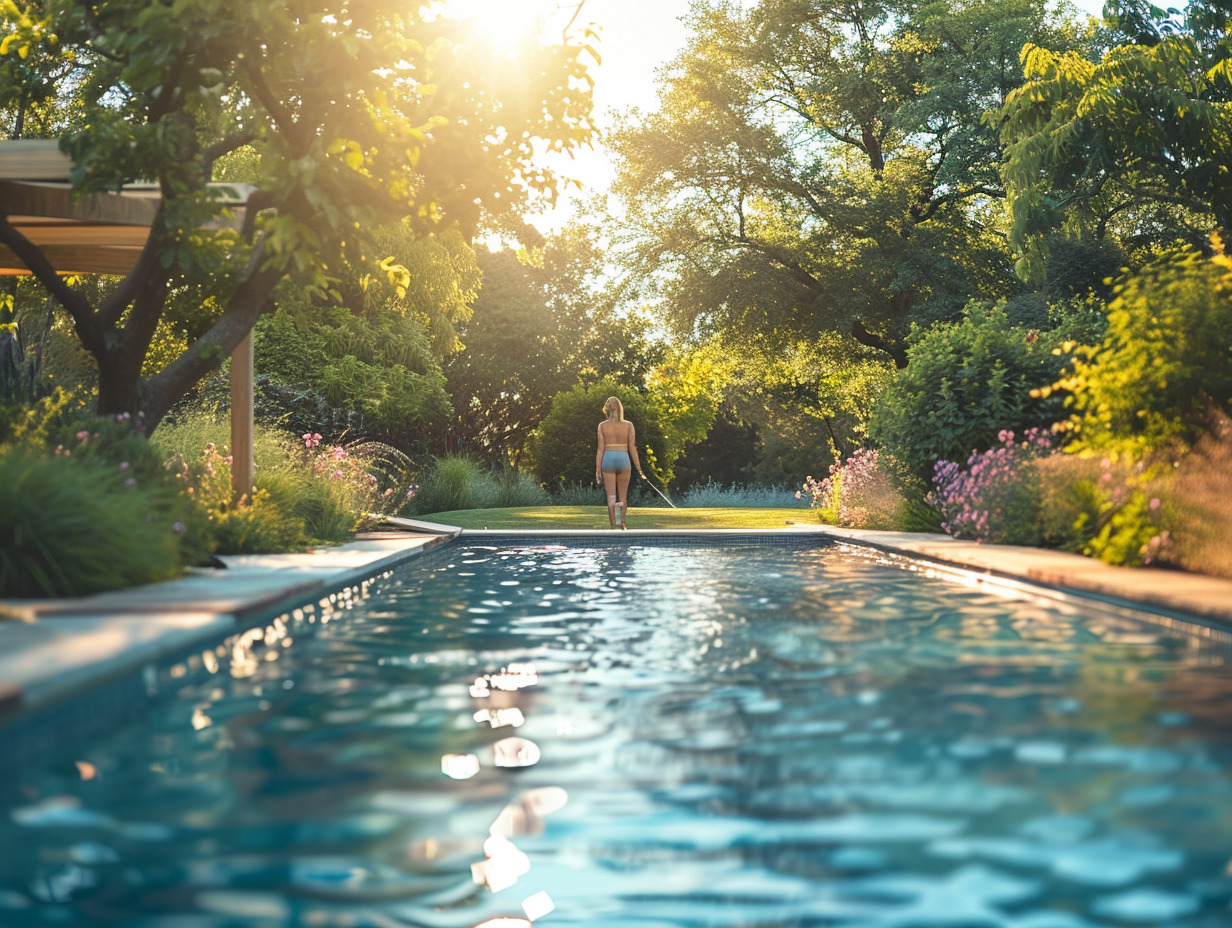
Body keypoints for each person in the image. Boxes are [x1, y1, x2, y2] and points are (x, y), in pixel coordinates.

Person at [595, 396, 644, 530]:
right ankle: (622, 523)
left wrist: (598, 469)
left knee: (611, 496)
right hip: (623, 458)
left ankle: (613, 527)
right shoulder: (628, 425)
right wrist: (639, 469)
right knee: (623, 496)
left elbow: (600, 449)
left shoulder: (602, 425)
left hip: (608, 459)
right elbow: (632, 447)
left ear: (607, 408)